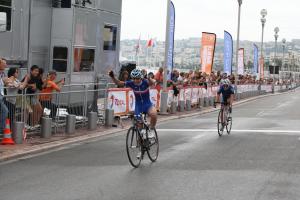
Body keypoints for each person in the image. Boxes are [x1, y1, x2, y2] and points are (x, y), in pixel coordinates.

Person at [108, 69, 157, 137]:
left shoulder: (145, 82)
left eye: (137, 78)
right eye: (133, 78)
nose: (135, 80)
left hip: (147, 104)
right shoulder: (131, 83)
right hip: (138, 106)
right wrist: (112, 77)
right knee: (139, 124)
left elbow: (153, 82)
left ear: (141, 78)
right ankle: (142, 141)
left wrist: (149, 78)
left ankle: (151, 129)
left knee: (154, 114)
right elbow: (119, 83)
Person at [0, 58, 8, 136]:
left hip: (1, 96)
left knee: (4, 111)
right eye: (3, 63)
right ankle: (1, 130)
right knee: (5, 110)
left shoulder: (3, 73)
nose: (5, 65)